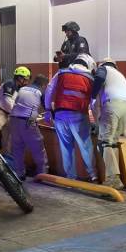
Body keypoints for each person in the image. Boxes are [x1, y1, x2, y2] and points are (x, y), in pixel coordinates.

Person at [44, 53, 98, 182]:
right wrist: (95, 120)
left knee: (66, 147)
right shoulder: (90, 78)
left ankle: (70, 178)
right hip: (79, 115)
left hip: (60, 115)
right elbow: (93, 102)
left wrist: (48, 109)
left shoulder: (61, 73)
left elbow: (49, 89)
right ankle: (93, 175)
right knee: (85, 145)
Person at [91, 58, 126, 190]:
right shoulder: (120, 75)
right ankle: (115, 178)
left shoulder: (103, 69)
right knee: (113, 142)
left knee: (104, 143)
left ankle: (113, 179)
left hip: (113, 104)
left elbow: (99, 78)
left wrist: (92, 95)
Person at [9, 74, 49, 180]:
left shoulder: (21, 89)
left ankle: (19, 174)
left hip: (13, 119)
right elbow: (47, 107)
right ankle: (42, 174)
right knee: (37, 146)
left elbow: (13, 102)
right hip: (28, 119)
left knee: (17, 148)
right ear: (43, 85)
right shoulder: (40, 92)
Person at [0, 66, 31, 152]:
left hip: (10, 115)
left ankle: (5, 157)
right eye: (25, 79)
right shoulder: (10, 83)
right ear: (19, 78)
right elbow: (7, 100)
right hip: (0, 112)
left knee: (8, 139)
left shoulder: (19, 88)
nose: (26, 81)